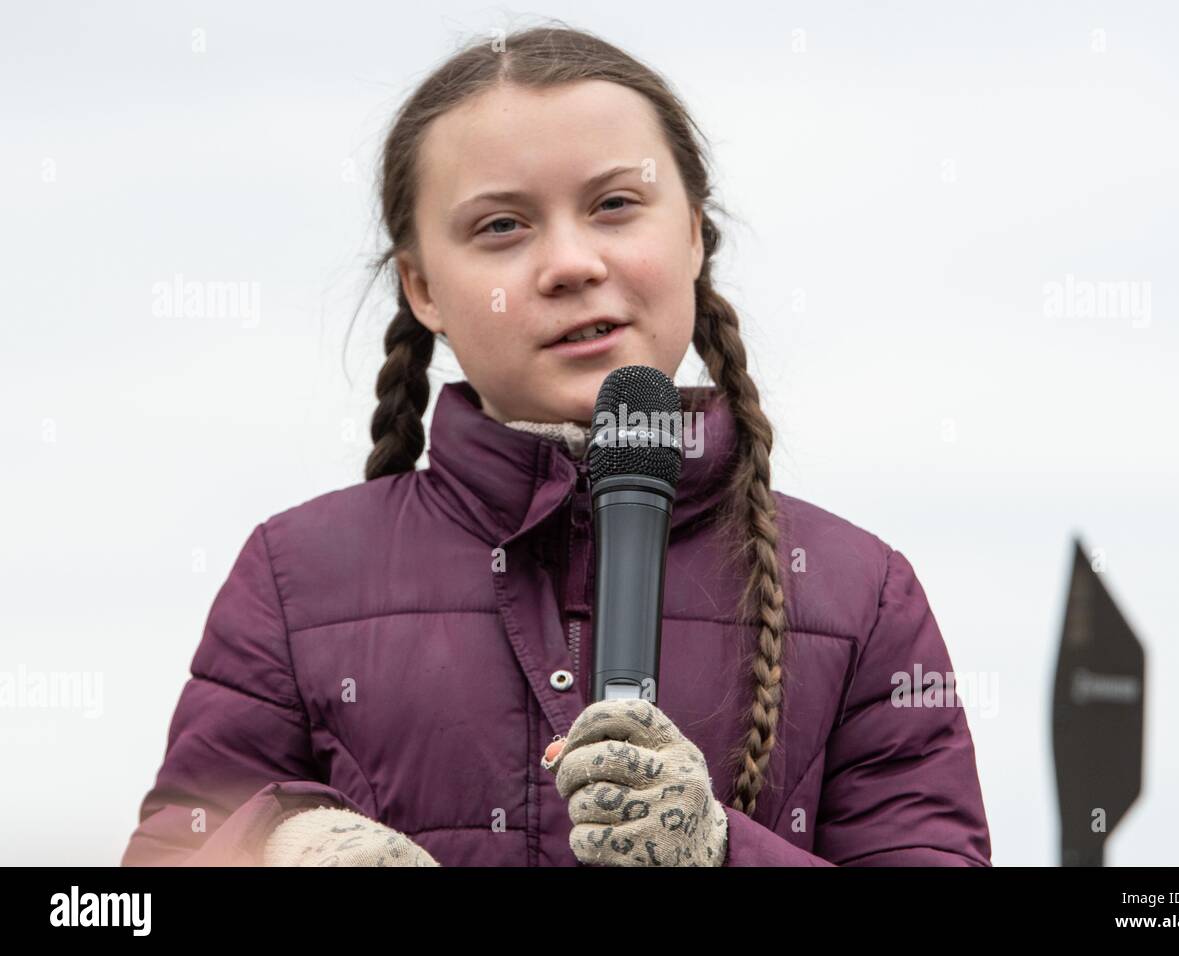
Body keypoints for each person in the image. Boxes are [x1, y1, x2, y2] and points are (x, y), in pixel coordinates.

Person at [121, 23, 992, 867]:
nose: (570, 262)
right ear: (421, 285)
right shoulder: (295, 576)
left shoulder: (859, 594)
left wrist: (723, 855)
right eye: (501, 226)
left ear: (693, 232)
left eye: (615, 205)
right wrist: (282, 847)